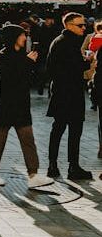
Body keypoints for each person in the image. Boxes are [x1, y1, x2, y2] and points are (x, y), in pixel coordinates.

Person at [0, 24, 55, 190]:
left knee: (28, 140)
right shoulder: (2, 56)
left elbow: (26, 79)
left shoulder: (23, 56)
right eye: (22, 35)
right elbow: (10, 77)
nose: (25, 38)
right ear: (13, 37)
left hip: (21, 104)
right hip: (5, 104)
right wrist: (27, 62)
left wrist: (30, 63)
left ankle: (33, 174)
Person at [46, 12, 94, 181]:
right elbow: (74, 67)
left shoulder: (59, 41)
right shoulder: (69, 43)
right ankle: (73, 166)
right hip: (70, 92)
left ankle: (53, 165)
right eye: (80, 25)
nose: (83, 28)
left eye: (84, 25)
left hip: (61, 92)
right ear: (68, 25)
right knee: (73, 130)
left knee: (58, 129)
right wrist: (87, 61)